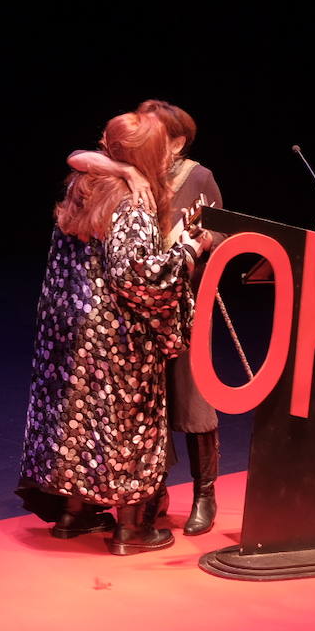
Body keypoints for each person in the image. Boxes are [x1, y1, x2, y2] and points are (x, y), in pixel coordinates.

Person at [17, 111, 213, 554]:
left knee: (80, 422)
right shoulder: (133, 199)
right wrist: (188, 247)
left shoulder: (82, 186)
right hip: (116, 335)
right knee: (130, 424)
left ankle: (73, 514)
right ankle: (131, 530)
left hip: (70, 327)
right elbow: (138, 277)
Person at [68, 99, 226, 535]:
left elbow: (223, 230)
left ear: (175, 142)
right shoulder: (128, 171)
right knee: (144, 408)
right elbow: (77, 156)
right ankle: (150, 494)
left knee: (193, 401)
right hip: (136, 310)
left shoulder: (197, 177)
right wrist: (127, 171)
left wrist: (199, 240)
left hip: (180, 301)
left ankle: (204, 493)